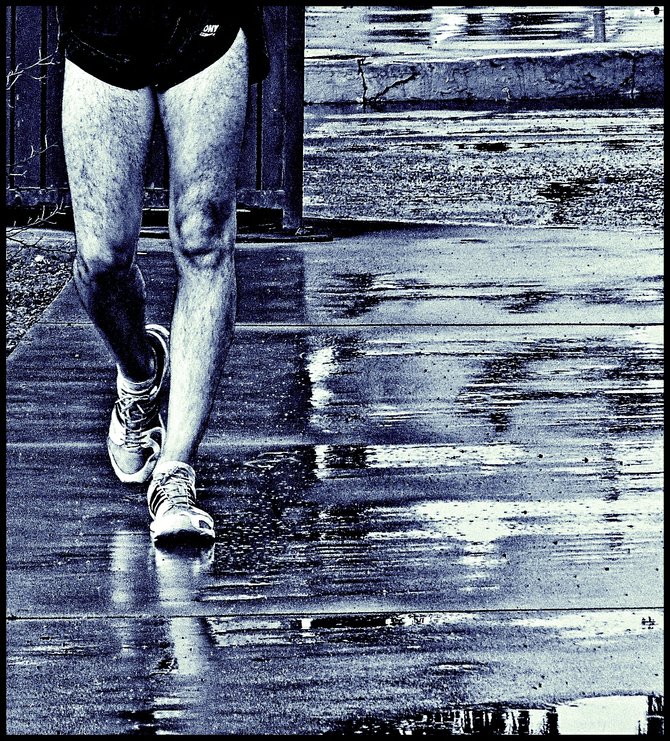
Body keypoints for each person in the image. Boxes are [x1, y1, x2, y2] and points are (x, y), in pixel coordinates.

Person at [58, 4, 270, 543]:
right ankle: (140, 371)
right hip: (104, 23)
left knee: (203, 236)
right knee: (102, 258)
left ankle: (176, 473)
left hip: (205, 16)